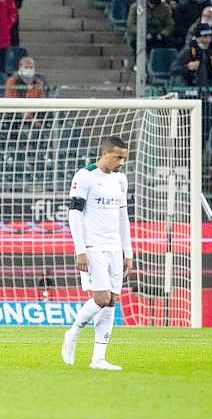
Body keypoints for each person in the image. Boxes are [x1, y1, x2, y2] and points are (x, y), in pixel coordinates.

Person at [61, 136, 132, 371]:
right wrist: (80, 249)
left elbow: (123, 217)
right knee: (101, 298)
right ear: (105, 154)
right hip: (92, 246)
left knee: (112, 301)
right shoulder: (85, 176)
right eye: (118, 157)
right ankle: (72, 334)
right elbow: (75, 214)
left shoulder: (120, 180)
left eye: (124, 157)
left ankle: (98, 358)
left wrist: (127, 252)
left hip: (114, 247)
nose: (121, 162)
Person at [169, 23, 212, 87]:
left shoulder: (211, 51)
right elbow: (172, 70)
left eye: (210, 36)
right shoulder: (188, 51)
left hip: (207, 89)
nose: (208, 39)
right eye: (205, 36)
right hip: (189, 88)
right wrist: (187, 67)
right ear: (197, 38)